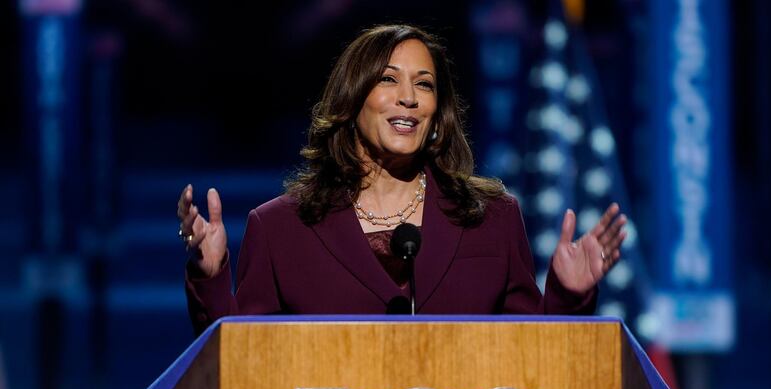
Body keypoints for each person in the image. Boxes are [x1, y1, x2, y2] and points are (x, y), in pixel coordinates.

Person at [176, 24, 627, 334]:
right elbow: (240, 366)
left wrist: (568, 295)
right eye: (388, 80)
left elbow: (533, 360)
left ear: (436, 115)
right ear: (352, 101)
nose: (408, 98)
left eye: (425, 84)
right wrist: (211, 276)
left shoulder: (492, 220)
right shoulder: (280, 229)